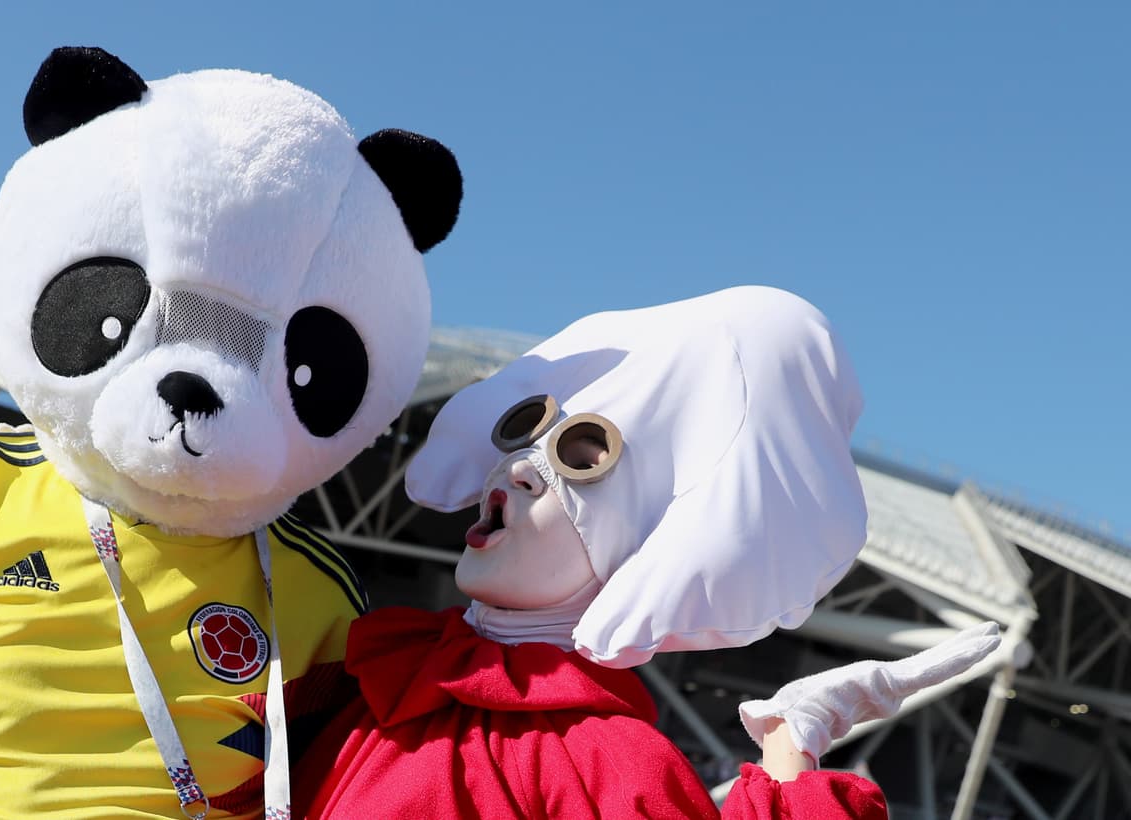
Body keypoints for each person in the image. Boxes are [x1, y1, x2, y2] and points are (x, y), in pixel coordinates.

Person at [292, 288, 1000, 818]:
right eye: (525, 437)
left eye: (581, 459)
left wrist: (790, 749)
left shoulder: (610, 760)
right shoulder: (371, 675)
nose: (516, 470)